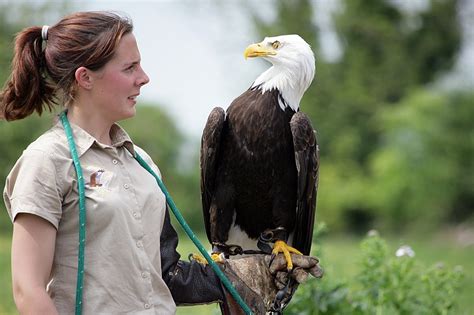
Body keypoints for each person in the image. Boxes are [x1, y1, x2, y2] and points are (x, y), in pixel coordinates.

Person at [0, 11, 226, 314]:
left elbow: (162, 272)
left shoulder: (142, 162)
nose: (144, 77)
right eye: (130, 67)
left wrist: (232, 277)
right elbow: (27, 291)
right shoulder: (46, 161)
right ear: (85, 78)